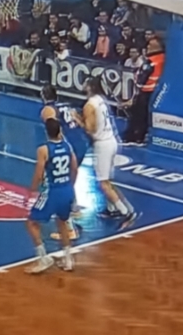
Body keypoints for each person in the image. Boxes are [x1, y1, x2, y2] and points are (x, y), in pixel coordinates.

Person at [72, 77, 140, 230]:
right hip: (111, 140)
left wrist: (77, 119)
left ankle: (125, 213)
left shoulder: (89, 105)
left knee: (103, 183)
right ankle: (111, 209)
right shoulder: (100, 100)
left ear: (90, 87)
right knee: (108, 180)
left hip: (102, 144)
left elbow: (90, 130)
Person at [25, 118, 77, 274]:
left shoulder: (43, 149)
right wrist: (70, 185)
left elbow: (39, 173)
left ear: (46, 132)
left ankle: (43, 258)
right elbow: (74, 168)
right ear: (60, 131)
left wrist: (32, 189)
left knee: (31, 223)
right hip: (67, 190)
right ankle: (68, 260)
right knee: (62, 223)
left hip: (52, 191)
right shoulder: (68, 146)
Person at [40, 84, 89, 240]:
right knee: (66, 179)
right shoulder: (66, 106)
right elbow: (78, 121)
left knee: (59, 182)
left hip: (70, 145)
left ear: (43, 96)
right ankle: (74, 208)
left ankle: (69, 228)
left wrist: (57, 150)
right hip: (81, 142)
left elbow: (55, 132)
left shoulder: (48, 110)